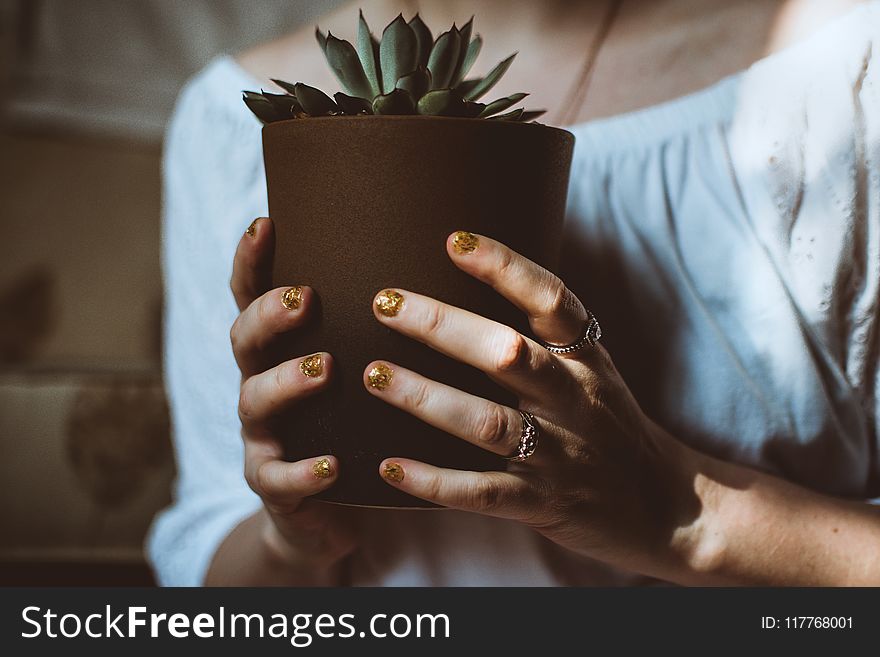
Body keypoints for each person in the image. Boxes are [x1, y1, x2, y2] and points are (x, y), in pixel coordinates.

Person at [148, 0, 880, 586]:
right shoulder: (226, 128)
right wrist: (294, 543)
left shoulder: (848, 70)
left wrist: (682, 516)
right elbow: (212, 554)